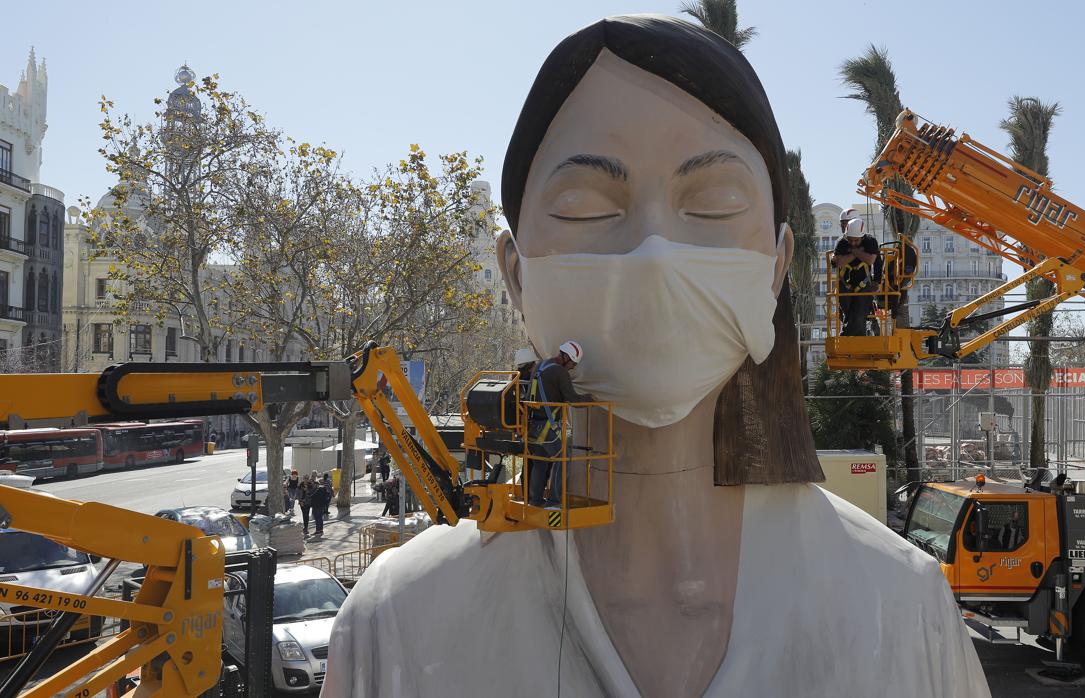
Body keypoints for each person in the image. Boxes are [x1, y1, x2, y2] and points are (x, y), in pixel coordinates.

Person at [324, 16, 988, 698]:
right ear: (516, 275)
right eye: (585, 207)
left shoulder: (901, 611)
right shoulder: (399, 626)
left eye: (712, 203)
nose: (653, 253)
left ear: (776, 267)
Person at [526, 340, 594, 507]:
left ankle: (535, 500)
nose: (572, 368)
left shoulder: (540, 366)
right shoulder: (560, 372)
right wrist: (591, 398)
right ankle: (554, 501)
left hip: (530, 424)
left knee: (540, 462)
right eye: (572, 363)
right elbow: (573, 399)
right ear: (564, 357)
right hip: (546, 426)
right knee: (563, 458)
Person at [832, 217, 880, 336]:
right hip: (845, 283)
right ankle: (854, 337)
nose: (853, 243)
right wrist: (858, 252)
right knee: (847, 313)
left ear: (862, 237)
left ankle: (846, 337)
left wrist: (877, 281)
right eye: (851, 240)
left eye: (856, 241)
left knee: (859, 314)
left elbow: (871, 260)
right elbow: (837, 262)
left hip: (863, 284)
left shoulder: (870, 242)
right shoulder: (842, 242)